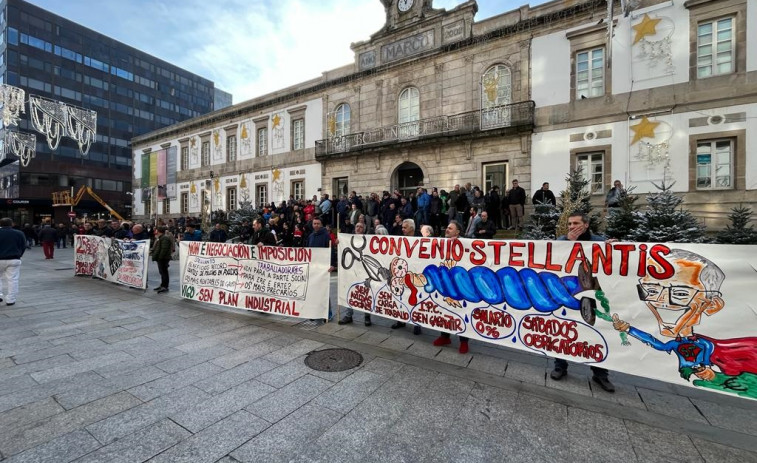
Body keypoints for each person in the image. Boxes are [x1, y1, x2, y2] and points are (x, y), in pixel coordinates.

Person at [550, 212, 615, 392]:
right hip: (568, 293)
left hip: (591, 294)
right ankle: (559, 366)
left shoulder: (598, 241)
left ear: (586, 225)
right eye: (569, 224)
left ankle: (600, 374)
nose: (571, 227)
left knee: (595, 332)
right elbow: (553, 255)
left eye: (576, 223)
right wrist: (570, 243)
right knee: (563, 330)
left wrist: (614, 249)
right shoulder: (563, 241)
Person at [432, 220, 468, 353]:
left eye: (450, 228)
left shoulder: (465, 244)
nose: (447, 229)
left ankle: (464, 341)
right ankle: (444, 336)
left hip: (459, 283)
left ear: (457, 232)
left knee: (461, 311)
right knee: (444, 310)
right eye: (447, 227)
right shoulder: (441, 243)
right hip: (443, 282)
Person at [391, 219, 422, 335]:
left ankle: (417, 323)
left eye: (405, 227)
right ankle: (401, 320)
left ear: (412, 228)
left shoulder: (421, 239)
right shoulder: (400, 238)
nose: (402, 229)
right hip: (402, 272)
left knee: (415, 297)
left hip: (415, 272)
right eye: (402, 227)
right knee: (401, 296)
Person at [338, 222, 371, 326]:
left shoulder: (368, 240)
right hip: (351, 270)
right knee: (349, 291)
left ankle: (367, 316)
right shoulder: (348, 239)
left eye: (361, 227)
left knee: (366, 293)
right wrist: (339, 242)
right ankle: (348, 315)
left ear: (364, 229)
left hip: (364, 271)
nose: (358, 228)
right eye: (357, 226)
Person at [0, 218, 26, 306]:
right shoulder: (19, 233)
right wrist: (19, 254)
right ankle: (10, 299)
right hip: (14, 258)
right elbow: (23, 245)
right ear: (12, 224)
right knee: (13, 280)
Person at [151, 226, 172, 293]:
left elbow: (164, 249)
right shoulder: (161, 238)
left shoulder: (164, 238)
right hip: (161, 258)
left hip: (163, 258)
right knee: (162, 272)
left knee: (164, 272)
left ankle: (165, 286)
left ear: (159, 231)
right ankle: (162, 285)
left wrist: (160, 257)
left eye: (156, 231)